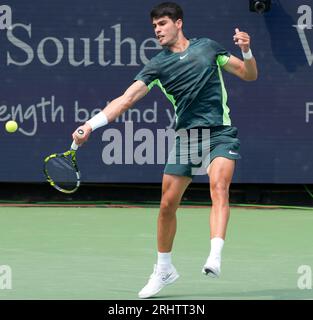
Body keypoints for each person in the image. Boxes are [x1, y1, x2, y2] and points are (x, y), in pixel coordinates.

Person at [72, 2, 258, 299]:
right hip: (187, 137)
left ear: (178, 23)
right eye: (154, 26)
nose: (157, 30)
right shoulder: (157, 65)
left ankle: (215, 255)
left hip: (220, 133)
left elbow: (249, 75)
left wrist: (247, 51)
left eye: (162, 24)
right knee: (166, 206)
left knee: (219, 188)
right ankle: (164, 269)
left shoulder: (208, 48)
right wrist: (90, 125)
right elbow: (126, 99)